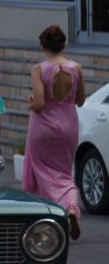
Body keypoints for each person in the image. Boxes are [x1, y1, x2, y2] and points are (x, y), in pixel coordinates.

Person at [24, 25, 85, 238]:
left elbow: (40, 103)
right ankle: (70, 208)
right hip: (68, 126)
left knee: (42, 172)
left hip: (44, 128)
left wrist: (30, 103)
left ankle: (46, 216)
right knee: (64, 174)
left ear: (43, 45)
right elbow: (80, 100)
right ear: (64, 44)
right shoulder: (76, 68)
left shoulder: (39, 69)